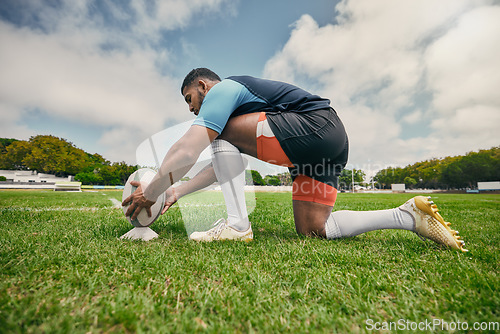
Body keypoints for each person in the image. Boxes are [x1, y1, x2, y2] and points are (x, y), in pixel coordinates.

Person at [122, 68, 466, 252]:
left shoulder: (224, 89)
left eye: (190, 98)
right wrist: (174, 192)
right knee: (315, 229)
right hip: (328, 144)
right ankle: (406, 216)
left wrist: (151, 189)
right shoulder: (235, 119)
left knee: (217, 130)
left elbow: (187, 149)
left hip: (316, 126)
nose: (191, 107)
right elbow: (228, 165)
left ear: (202, 85)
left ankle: (238, 226)